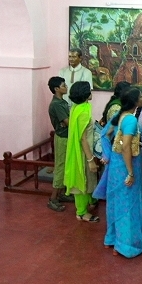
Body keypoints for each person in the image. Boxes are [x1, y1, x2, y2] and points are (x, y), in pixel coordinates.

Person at [101, 88, 142, 258]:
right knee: (128, 204)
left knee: (117, 202)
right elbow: (126, 146)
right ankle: (126, 245)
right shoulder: (130, 120)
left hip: (116, 164)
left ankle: (112, 238)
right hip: (126, 165)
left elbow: (107, 134)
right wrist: (130, 172)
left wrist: (108, 155)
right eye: (141, 96)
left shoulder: (119, 116)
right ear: (135, 101)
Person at [64, 81, 100, 222]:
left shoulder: (76, 107)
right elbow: (83, 139)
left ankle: (90, 201)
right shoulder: (84, 112)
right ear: (86, 94)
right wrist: (90, 160)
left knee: (87, 180)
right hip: (83, 153)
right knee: (82, 181)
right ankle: (81, 212)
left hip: (77, 150)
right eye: (90, 90)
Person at [46, 77, 71, 212]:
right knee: (60, 167)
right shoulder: (56, 104)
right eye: (63, 85)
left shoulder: (62, 102)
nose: (66, 87)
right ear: (56, 89)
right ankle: (53, 198)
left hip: (66, 136)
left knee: (65, 166)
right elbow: (68, 122)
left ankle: (61, 193)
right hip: (62, 137)